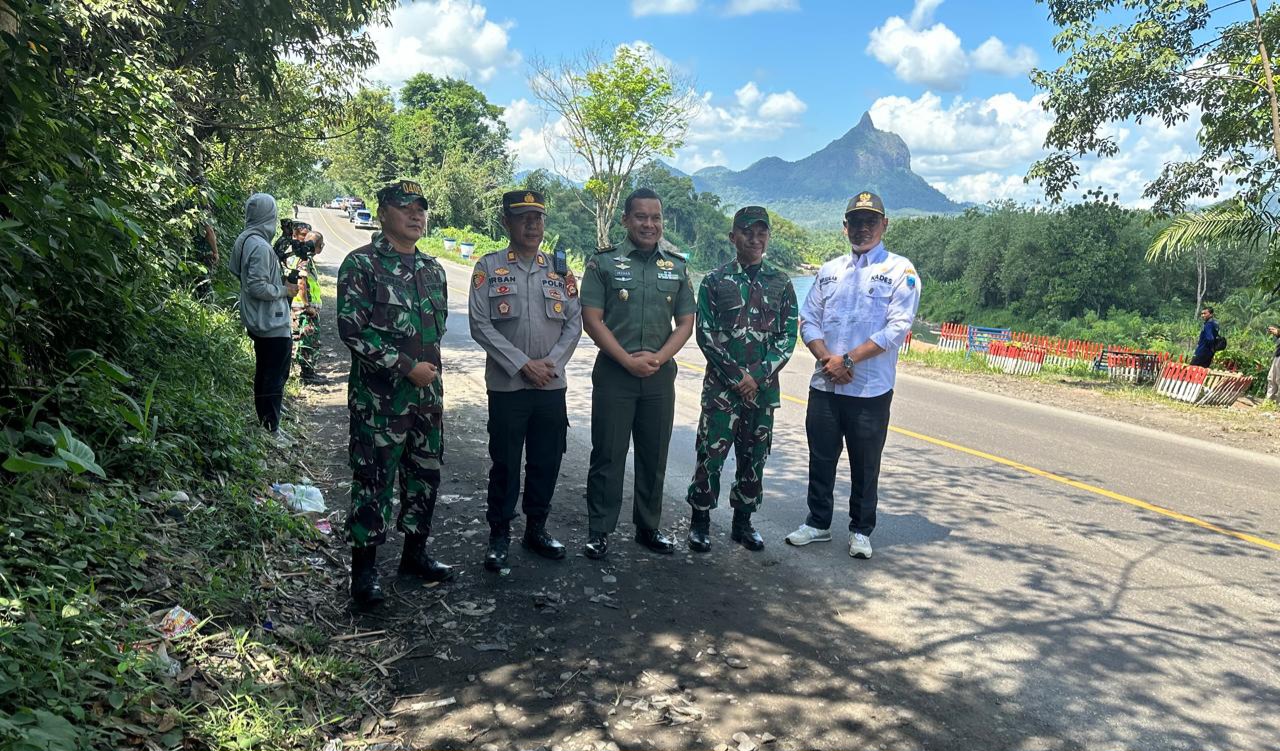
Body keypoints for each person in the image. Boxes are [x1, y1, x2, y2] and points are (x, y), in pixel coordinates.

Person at [784, 191, 920, 560]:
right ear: (845, 227)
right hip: (825, 384)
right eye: (856, 222)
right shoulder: (829, 271)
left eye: (870, 221)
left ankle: (861, 529)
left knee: (865, 463)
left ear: (884, 224)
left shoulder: (900, 270)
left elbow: (898, 328)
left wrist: (849, 359)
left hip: (870, 390)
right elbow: (808, 319)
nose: (863, 228)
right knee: (821, 457)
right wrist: (829, 359)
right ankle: (817, 523)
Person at [337, 179, 452, 608]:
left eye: (420, 208)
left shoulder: (432, 270)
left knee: (424, 476)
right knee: (374, 481)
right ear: (384, 212)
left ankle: (414, 556)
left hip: (427, 400)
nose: (415, 215)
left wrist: (426, 377)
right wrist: (407, 368)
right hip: (380, 402)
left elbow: (434, 333)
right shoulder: (362, 265)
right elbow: (353, 332)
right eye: (405, 208)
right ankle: (363, 574)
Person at [468, 190, 583, 571]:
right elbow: (480, 325)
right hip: (508, 387)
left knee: (546, 460)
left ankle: (537, 529)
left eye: (538, 217)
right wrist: (522, 365)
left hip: (551, 386)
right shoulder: (488, 267)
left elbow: (573, 323)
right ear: (507, 222)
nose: (532, 224)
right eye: (523, 217)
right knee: (505, 462)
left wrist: (549, 364)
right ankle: (499, 534)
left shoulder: (561, 272)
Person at [580, 187, 695, 559]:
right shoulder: (604, 264)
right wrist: (627, 361)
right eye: (641, 217)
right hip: (615, 374)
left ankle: (648, 527)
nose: (650, 224)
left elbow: (685, 322)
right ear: (626, 220)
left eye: (656, 217)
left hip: (659, 377)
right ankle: (599, 530)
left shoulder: (676, 266)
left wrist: (659, 358)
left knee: (653, 454)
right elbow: (592, 320)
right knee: (608, 454)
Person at [685, 206, 798, 553]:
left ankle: (743, 523)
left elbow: (788, 336)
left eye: (761, 232)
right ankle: (700, 522)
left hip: (761, 394)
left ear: (768, 236)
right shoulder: (715, 281)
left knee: (754, 459)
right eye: (747, 232)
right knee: (710, 456)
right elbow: (705, 334)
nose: (755, 238)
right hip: (722, 391)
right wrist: (737, 377)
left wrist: (758, 376)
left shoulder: (781, 283)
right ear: (733, 237)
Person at [227, 192, 297, 437]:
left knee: (267, 372)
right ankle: (271, 428)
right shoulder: (259, 246)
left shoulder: (245, 239)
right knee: (273, 376)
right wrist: (283, 290)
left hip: (257, 317)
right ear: (269, 215)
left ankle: (269, 422)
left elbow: (236, 271)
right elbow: (256, 286)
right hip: (270, 322)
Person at [288, 229, 327, 385]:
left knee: (300, 340)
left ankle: (303, 372)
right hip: (304, 310)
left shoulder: (298, 256)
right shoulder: (304, 260)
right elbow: (301, 283)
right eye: (321, 244)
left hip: (298, 307)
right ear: (318, 245)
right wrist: (307, 305)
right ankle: (308, 374)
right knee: (308, 341)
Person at [1266, 324, 1280, 402]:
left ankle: (1278, 402)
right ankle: (1269, 400)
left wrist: (1277, 331)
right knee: (1271, 378)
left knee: (1278, 379)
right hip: (1278, 355)